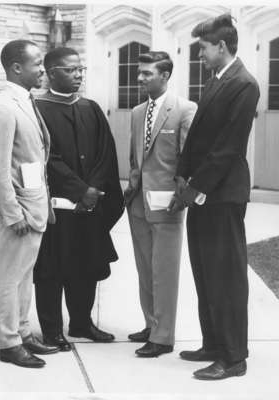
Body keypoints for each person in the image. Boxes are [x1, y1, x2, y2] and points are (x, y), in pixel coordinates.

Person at [168, 14, 260, 380]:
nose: (201, 55)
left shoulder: (244, 84)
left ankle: (233, 357)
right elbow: (198, 138)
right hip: (204, 192)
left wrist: (193, 189)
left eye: (203, 48)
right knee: (205, 272)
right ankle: (213, 342)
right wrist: (181, 172)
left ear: (221, 46)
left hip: (222, 195)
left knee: (226, 276)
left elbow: (227, 149)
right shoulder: (217, 80)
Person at [33, 47, 124, 350]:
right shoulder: (38, 109)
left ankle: (82, 323)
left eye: (80, 69)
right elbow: (47, 158)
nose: (78, 75)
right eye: (70, 70)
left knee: (85, 265)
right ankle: (51, 330)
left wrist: (94, 190)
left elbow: (105, 153)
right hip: (57, 208)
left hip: (89, 206)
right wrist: (79, 190)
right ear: (51, 72)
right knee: (51, 270)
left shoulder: (91, 108)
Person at [0, 39, 59, 368]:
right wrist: (13, 215)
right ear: (16, 67)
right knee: (10, 279)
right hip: (20, 210)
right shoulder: (3, 107)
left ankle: (23, 332)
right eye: (36, 63)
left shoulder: (25, 101)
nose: (42, 69)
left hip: (33, 205)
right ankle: (8, 342)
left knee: (24, 277)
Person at [124, 51, 197, 357]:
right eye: (139, 73)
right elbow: (135, 157)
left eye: (147, 73)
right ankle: (151, 324)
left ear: (165, 75)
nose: (140, 78)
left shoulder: (184, 109)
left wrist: (183, 197)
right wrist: (131, 188)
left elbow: (189, 159)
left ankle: (163, 337)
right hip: (139, 203)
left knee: (164, 272)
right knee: (145, 270)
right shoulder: (138, 111)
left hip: (168, 204)